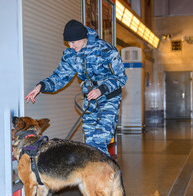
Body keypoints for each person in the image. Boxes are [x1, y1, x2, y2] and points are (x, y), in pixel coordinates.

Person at [25, 19, 127, 157]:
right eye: (68, 42)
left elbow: (121, 77)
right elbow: (60, 77)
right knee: (90, 142)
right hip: (90, 98)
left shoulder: (105, 50)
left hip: (109, 97)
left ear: (84, 37)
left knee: (99, 140)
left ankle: (104, 175)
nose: (71, 46)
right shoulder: (70, 55)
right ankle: (98, 174)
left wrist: (101, 89)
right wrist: (40, 86)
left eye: (74, 42)